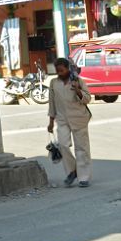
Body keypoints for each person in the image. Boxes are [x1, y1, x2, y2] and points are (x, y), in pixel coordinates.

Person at [47, 57, 94, 187]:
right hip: (62, 119)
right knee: (63, 145)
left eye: (62, 70)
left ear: (68, 69)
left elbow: (87, 99)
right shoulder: (53, 83)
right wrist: (51, 121)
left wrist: (78, 90)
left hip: (79, 118)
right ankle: (72, 171)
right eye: (57, 71)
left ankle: (83, 177)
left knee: (82, 148)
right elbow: (52, 103)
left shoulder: (78, 81)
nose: (59, 73)